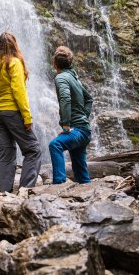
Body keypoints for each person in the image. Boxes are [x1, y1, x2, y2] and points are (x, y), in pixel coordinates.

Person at [0, 31, 42, 192]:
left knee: (6, 155)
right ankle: (25, 190)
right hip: (13, 112)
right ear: (14, 45)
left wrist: (0, 108)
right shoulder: (14, 63)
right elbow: (19, 92)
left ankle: (4, 192)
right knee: (33, 150)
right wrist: (27, 117)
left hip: (0, 113)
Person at [49, 46, 93, 184]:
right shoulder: (75, 78)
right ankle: (88, 190)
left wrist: (66, 124)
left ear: (54, 63)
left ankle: (59, 184)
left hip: (77, 130)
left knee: (55, 145)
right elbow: (89, 98)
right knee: (80, 171)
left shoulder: (61, 77)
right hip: (84, 130)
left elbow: (65, 99)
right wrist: (84, 117)